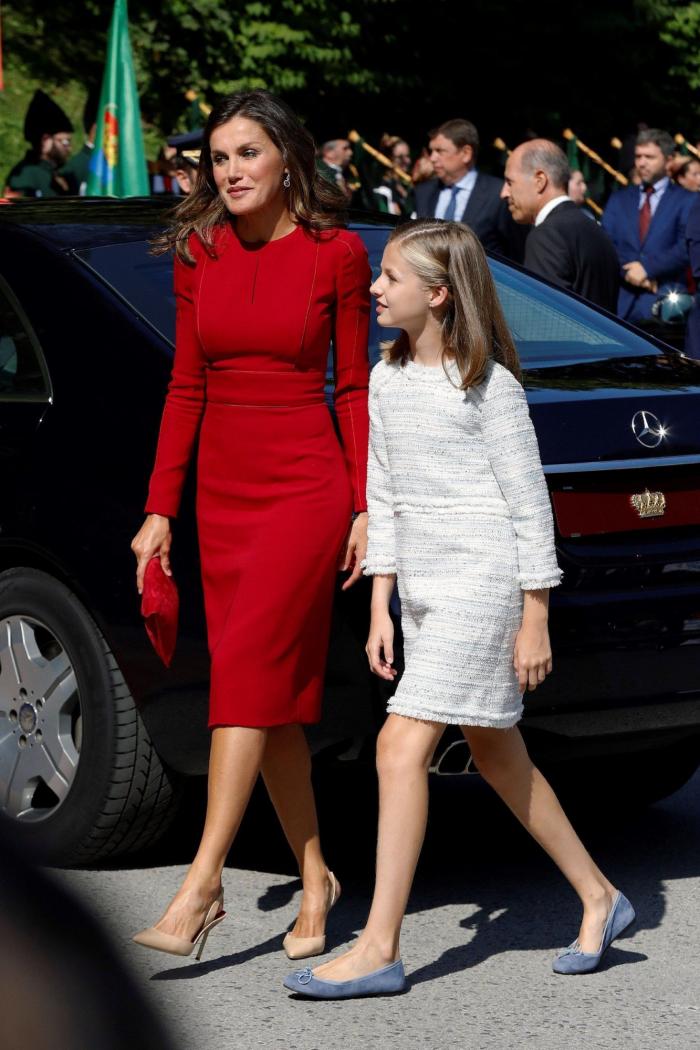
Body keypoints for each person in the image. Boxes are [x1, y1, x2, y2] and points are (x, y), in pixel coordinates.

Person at [283, 219, 634, 1000]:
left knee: (398, 747)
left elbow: (530, 506)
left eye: (391, 276)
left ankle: (380, 947)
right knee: (498, 753)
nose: (376, 288)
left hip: (483, 584)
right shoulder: (385, 378)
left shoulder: (490, 386)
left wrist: (535, 615)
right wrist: (381, 601)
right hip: (423, 591)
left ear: (438, 295)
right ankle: (600, 896)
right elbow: (384, 495)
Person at [130, 90, 371, 962]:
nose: (229, 171)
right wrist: (160, 508)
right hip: (222, 495)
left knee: (242, 676)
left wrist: (364, 504)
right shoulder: (198, 252)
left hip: (305, 488)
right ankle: (315, 876)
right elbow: (185, 386)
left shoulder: (337, 253)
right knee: (265, 701)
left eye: (246, 154)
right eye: (219, 158)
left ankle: (202, 882)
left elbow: (354, 388)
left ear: (288, 160)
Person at [502, 140, 619, 311]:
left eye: (510, 182)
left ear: (540, 180)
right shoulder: (595, 228)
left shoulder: (547, 235)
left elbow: (545, 315)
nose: (504, 193)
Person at [602, 129, 695, 324]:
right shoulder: (619, 199)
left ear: (669, 160)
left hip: (666, 305)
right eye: (638, 156)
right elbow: (604, 244)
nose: (641, 163)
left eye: (649, 157)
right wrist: (629, 273)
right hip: (620, 306)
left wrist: (647, 269)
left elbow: (686, 246)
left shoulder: (688, 200)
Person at [414, 118, 521, 258]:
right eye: (432, 151)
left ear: (466, 153)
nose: (433, 158)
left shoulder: (498, 194)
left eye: (440, 151)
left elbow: (515, 251)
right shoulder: (423, 192)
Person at [4, 89, 74, 198]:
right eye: (65, 142)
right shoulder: (25, 176)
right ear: (45, 140)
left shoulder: (53, 174)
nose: (69, 148)